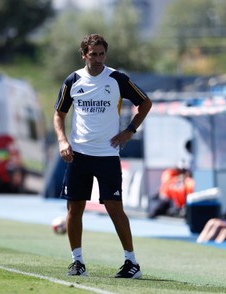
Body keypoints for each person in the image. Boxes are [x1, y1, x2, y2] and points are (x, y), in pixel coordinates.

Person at [53, 34, 152, 278]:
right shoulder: (73, 80)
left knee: (114, 208)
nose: (98, 59)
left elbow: (145, 103)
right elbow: (59, 114)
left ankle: (132, 263)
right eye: (93, 54)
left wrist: (129, 131)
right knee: (74, 209)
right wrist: (62, 141)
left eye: (101, 54)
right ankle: (77, 261)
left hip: (107, 155)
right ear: (83, 54)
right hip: (78, 156)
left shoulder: (117, 79)